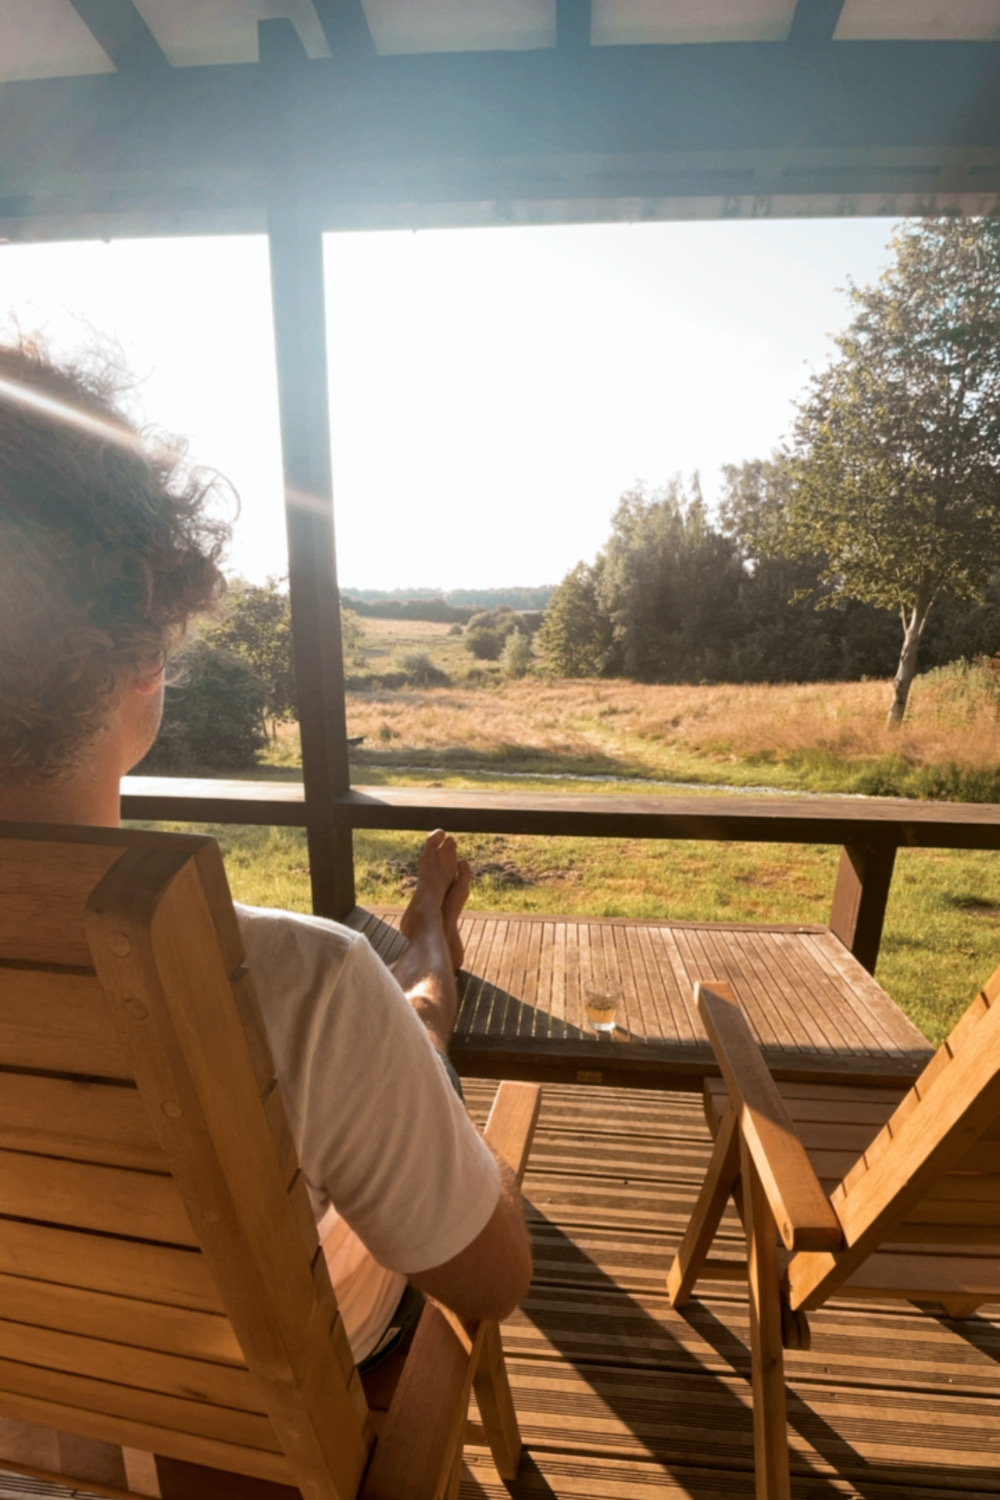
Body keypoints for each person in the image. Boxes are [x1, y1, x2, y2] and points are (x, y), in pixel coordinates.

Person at [0, 337, 532, 1364]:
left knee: (382, 1028)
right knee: (395, 1032)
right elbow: (491, 1280)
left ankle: (423, 971)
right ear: (142, 656)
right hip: (230, 1406)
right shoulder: (291, 985)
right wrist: (475, 1164)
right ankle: (426, 968)